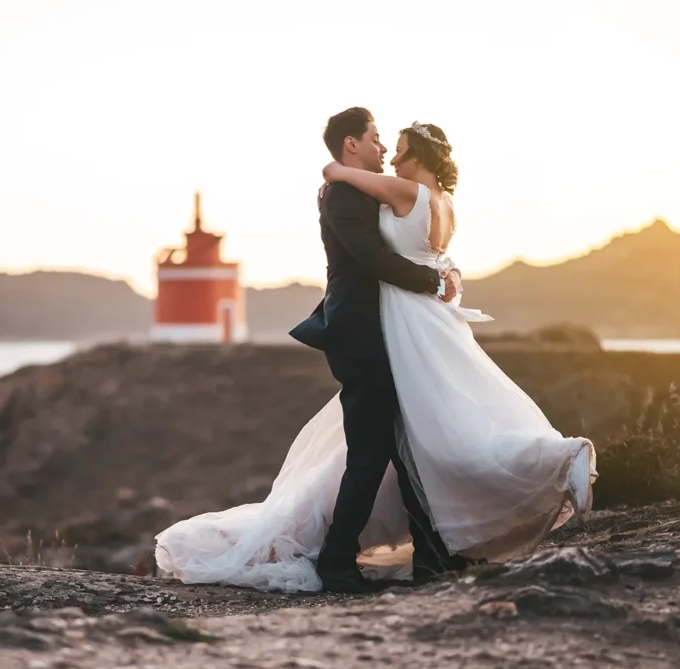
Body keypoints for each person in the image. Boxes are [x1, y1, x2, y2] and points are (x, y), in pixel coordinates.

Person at [154, 108, 596, 593]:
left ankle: (425, 553)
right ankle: (345, 558)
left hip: (400, 330)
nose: (385, 149)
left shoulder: (377, 189)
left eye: (394, 144)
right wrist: (436, 279)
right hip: (365, 332)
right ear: (351, 144)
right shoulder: (348, 192)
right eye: (378, 139)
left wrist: (437, 277)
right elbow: (372, 257)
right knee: (377, 451)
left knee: (404, 446)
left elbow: (400, 246)